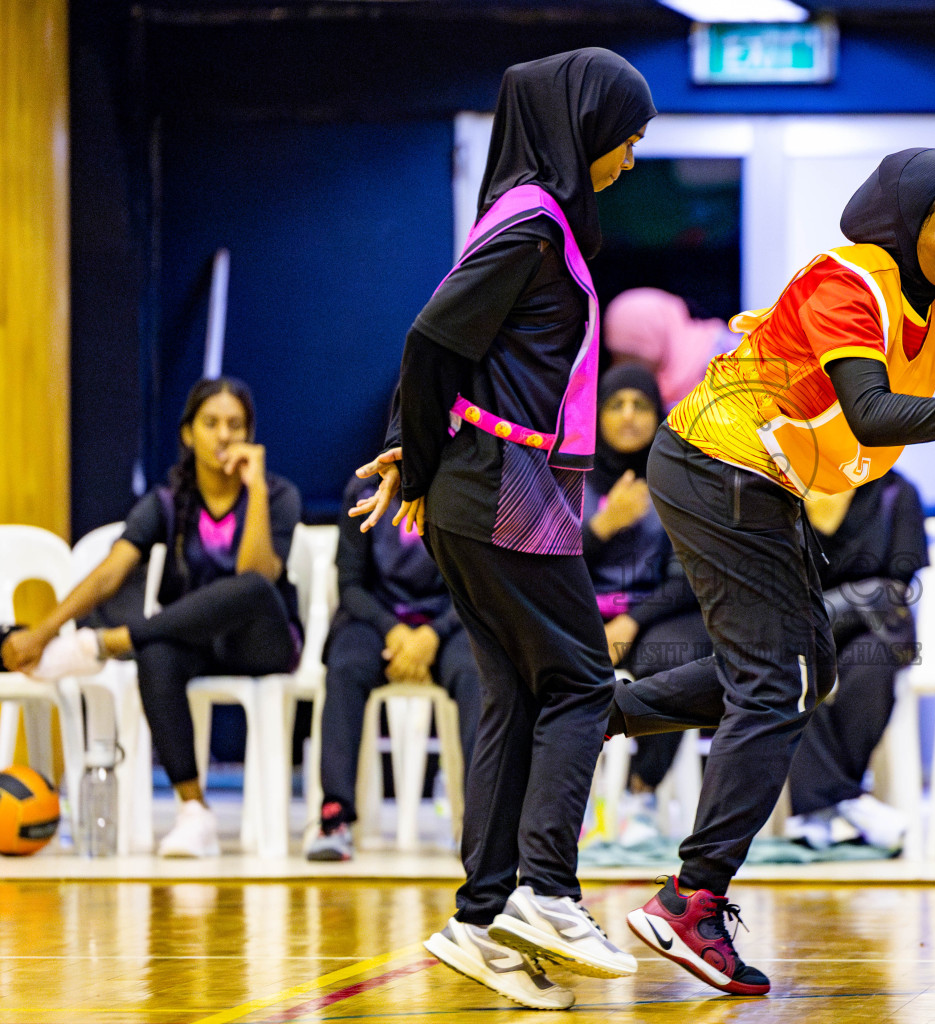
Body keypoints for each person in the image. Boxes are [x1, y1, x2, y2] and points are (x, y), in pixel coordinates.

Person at [607, 147, 935, 996]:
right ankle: (691, 899)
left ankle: (588, 714)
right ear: (906, 227)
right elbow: (871, 415)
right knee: (778, 683)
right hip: (713, 457)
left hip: (761, 473)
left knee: (810, 670)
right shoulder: (847, 282)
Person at [349, 48, 655, 1011]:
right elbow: (432, 336)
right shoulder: (532, 220)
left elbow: (449, 343)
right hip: (499, 488)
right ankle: (548, 895)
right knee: (580, 681)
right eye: (629, 136)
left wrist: (415, 452)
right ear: (585, 126)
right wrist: (422, 458)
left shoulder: (531, 217)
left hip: (496, 488)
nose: (634, 158)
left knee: (516, 699)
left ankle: (482, 918)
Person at [1, 377, 303, 859]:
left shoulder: (278, 495)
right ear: (188, 434)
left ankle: (107, 642)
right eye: (211, 423)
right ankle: (193, 811)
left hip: (262, 642)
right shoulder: (166, 502)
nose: (224, 435)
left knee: (247, 588)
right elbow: (107, 575)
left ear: (249, 435)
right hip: (198, 643)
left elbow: (257, 574)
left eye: (235, 425)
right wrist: (42, 632)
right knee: (156, 652)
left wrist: (256, 492)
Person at [304, 473, 481, 862]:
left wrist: (431, 635)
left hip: (450, 622)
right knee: (346, 666)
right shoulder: (361, 491)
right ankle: (335, 817)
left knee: (477, 673)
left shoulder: (471, 483)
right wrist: (395, 632)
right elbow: (350, 585)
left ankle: (480, 823)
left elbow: (478, 581)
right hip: (377, 621)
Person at [582, 364, 710, 844]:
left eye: (641, 405)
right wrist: (603, 525)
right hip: (585, 612)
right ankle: (559, 800)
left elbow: (692, 575)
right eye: (616, 405)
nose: (629, 415)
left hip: (660, 614)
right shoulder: (570, 476)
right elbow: (550, 564)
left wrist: (632, 620)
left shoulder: (680, 475)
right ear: (596, 416)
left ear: (659, 414)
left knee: (673, 660)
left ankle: (642, 792)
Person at [783, 471, 927, 852]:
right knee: (797, 663)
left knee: (873, 661)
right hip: (803, 625)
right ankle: (846, 801)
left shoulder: (897, 492)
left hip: (874, 627)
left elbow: (899, 585)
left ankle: (821, 808)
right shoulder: (782, 487)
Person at [603, 287, 736, 409]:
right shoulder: (661, 389)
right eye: (616, 357)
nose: (622, 369)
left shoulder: (730, 364)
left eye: (631, 357)